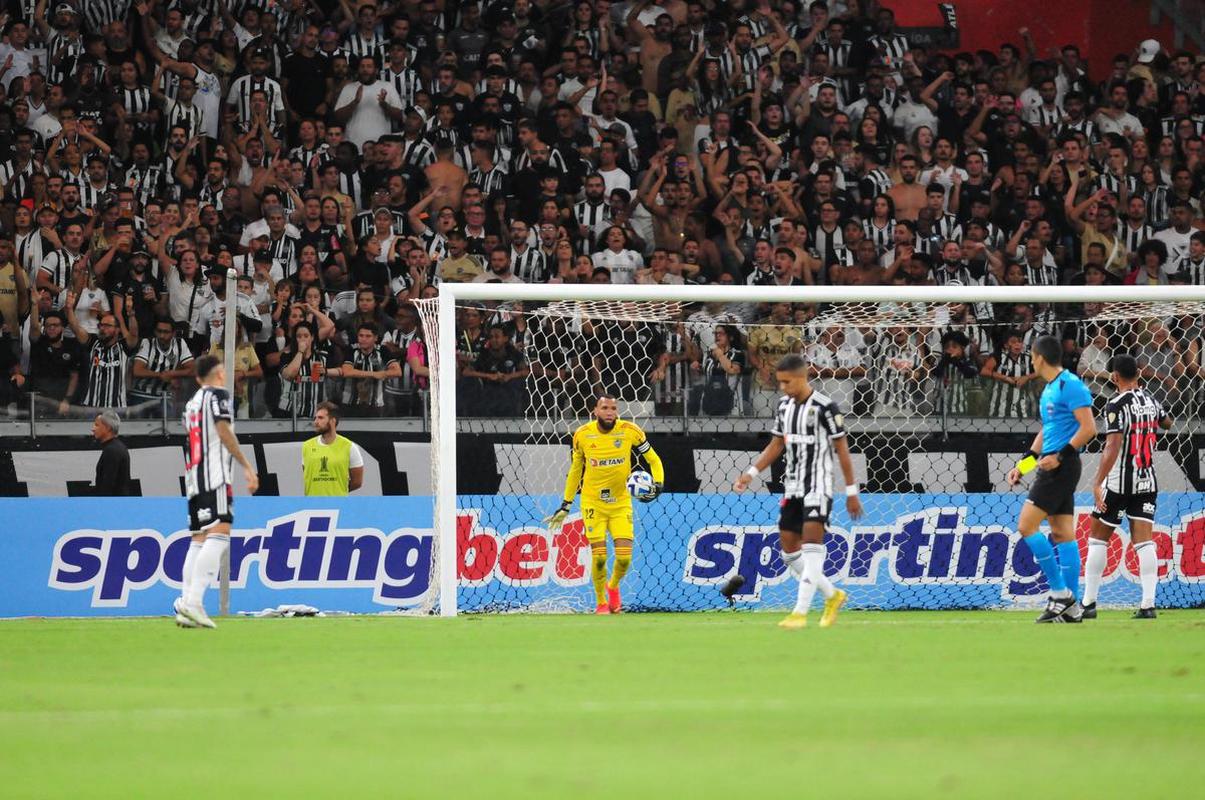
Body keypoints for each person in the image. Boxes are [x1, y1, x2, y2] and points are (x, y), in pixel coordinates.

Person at [733, 354, 863, 629]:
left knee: (813, 548)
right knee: (789, 552)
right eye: (779, 383)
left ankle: (800, 613)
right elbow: (776, 444)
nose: (782, 387)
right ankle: (833, 595)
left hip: (819, 487)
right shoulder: (784, 406)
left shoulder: (826, 408)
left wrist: (852, 492)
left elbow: (843, 451)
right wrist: (751, 473)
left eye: (786, 382)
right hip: (792, 487)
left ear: (802, 377)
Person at [544, 393, 665, 614]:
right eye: (605, 408)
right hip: (593, 503)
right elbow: (575, 471)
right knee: (599, 558)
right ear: (595, 411)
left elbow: (654, 460)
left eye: (613, 408)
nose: (610, 412)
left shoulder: (630, 431)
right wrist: (566, 505)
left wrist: (658, 484)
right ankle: (601, 603)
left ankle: (613, 586)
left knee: (624, 559)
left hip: (620, 503)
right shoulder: (582, 435)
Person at [1006, 335, 1097, 623]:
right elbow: (1047, 433)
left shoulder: (1070, 385)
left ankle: (1060, 594)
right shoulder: (1049, 389)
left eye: (1032, 355)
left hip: (1061, 467)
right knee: (1062, 533)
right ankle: (1071, 607)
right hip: (1052, 464)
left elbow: (1089, 428)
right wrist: (1024, 465)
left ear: (1039, 357)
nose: (1031, 359)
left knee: (1026, 525)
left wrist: (1060, 456)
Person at [1082, 354, 1173, 619]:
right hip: (1147, 481)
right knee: (1144, 542)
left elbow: (1112, 444)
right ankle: (1148, 604)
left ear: (1115, 377)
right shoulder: (1151, 401)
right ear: (1139, 374)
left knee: (1098, 538)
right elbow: (1166, 423)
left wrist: (1098, 481)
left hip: (1119, 483)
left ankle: (1088, 604)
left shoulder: (1115, 404)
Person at [175, 354, 259, 629]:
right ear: (219, 373)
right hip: (215, 475)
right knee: (220, 533)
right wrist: (246, 466)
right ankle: (194, 602)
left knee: (198, 539)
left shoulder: (192, 402)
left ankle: (185, 602)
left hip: (194, 476)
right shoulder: (218, 395)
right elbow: (223, 431)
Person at [302, 401, 365, 496]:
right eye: (315, 418)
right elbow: (307, 474)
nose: (315, 422)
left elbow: (357, 482)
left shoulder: (349, 447)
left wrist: (339, 491)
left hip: (338, 505)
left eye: (320, 418)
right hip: (312, 505)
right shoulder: (307, 446)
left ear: (332, 421)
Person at [90, 411, 131, 496]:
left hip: (112, 505)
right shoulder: (118, 447)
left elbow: (108, 485)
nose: (93, 429)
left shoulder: (111, 450)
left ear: (108, 428)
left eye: (97, 425)